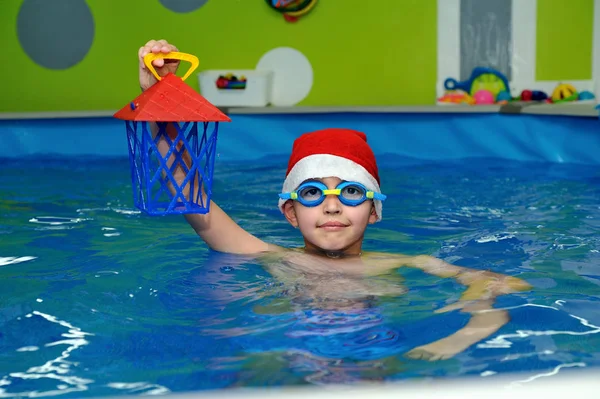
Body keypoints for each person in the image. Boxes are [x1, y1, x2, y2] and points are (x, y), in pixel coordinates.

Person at [137, 39, 532, 361]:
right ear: (290, 212)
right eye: (312, 193)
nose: (331, 206)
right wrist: (159, 99)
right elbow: (192, 197)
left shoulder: (402, 263)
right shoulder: (278, 258)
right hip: (283, 353)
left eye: (351, 192)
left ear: (374, 210)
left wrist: (449, 340)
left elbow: (502, 283)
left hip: (376, 355)